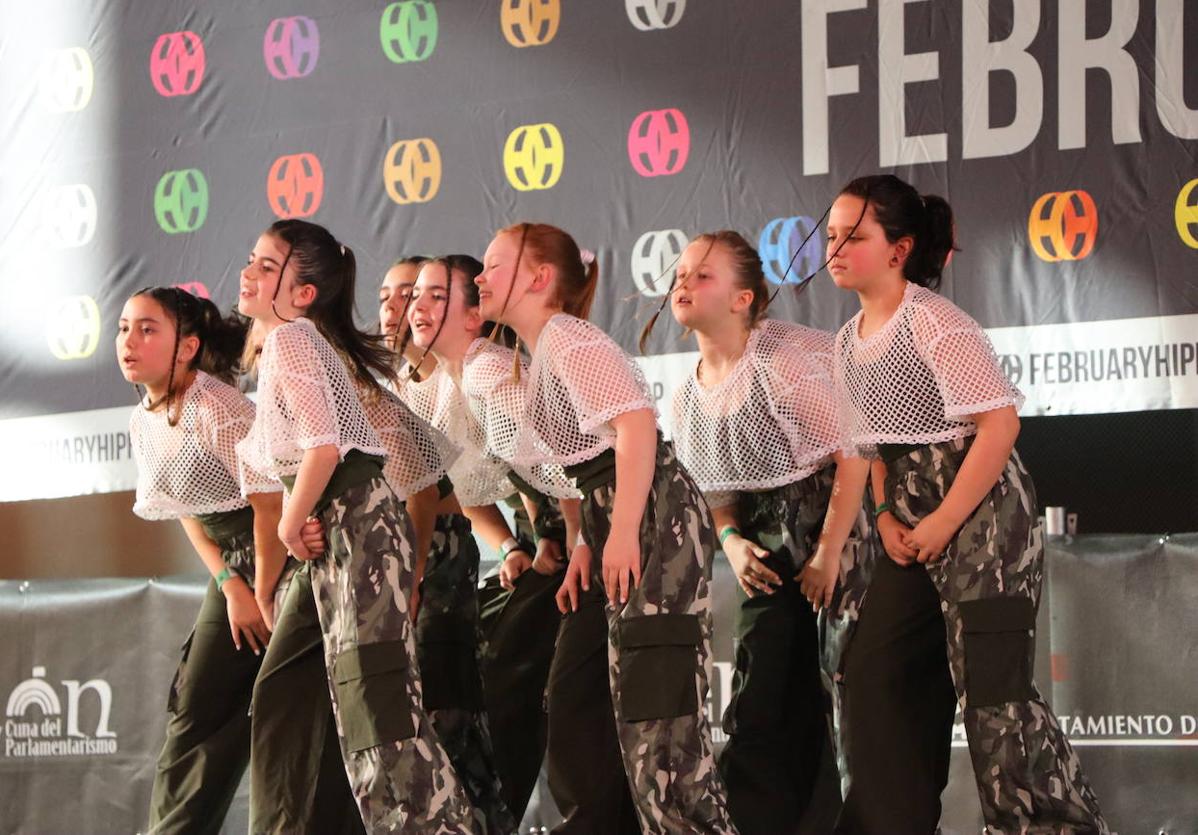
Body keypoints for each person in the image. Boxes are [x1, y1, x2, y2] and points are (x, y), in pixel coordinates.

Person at [825, 174, 1108, 833]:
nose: (836, 247)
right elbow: (871, 450)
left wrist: (945, 521)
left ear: (899, 250)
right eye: (833, 234)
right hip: (909, 525)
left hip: (982, 519)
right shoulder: (845, 340)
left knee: (994, 701)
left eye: (855, 236)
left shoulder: (934, 322)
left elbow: (1000, 425)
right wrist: (890, 518)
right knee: (874, 677)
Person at [477, 222, 737, 834]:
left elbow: (637, 428)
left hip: (651, 517)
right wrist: (590, 542)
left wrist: (620, 533)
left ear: (539, 279)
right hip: (614, 514)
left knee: (659, 725)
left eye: (493, 265)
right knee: (583, 700)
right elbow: (591, 460)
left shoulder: (568, 337)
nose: (480, 279)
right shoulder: (544, 346)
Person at [236, 219, 474, 833]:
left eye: (267, 266)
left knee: (380, 715)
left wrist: (292, 524)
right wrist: (302, 519)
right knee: (325, 701)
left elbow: (324, 446)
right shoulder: (290, 344)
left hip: (358, 531)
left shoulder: (293, 340)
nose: (249, 272)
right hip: (344, 531)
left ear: (304, 292)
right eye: (252, 261)